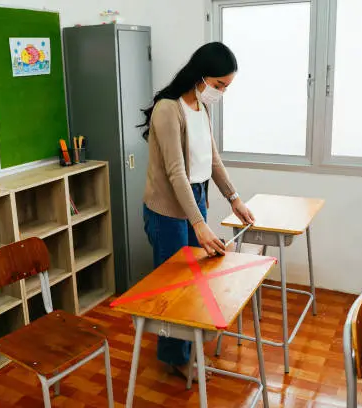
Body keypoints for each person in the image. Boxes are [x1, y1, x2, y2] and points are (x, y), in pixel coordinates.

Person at [139, 42, 255, 380]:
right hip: (167, 210)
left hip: (195, 199)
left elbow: (212, 160)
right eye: (219, 85)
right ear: (201, 75)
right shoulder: (167, 109)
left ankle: (185, 346)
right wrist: (200, 223)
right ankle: (174, 355)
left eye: (226, 87)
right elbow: (176, 173)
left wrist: (234, 198)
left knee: (196, 280)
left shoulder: (201, 108)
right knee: (174, 287)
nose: (221, 92)